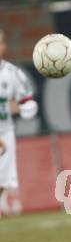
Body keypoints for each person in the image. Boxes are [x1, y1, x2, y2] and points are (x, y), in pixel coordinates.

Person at [0, 29, 38, 206]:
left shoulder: (12, 73)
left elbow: (30, 104)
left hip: (5, 133)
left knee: (2, 184)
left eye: (1, 42)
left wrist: (20, 108)